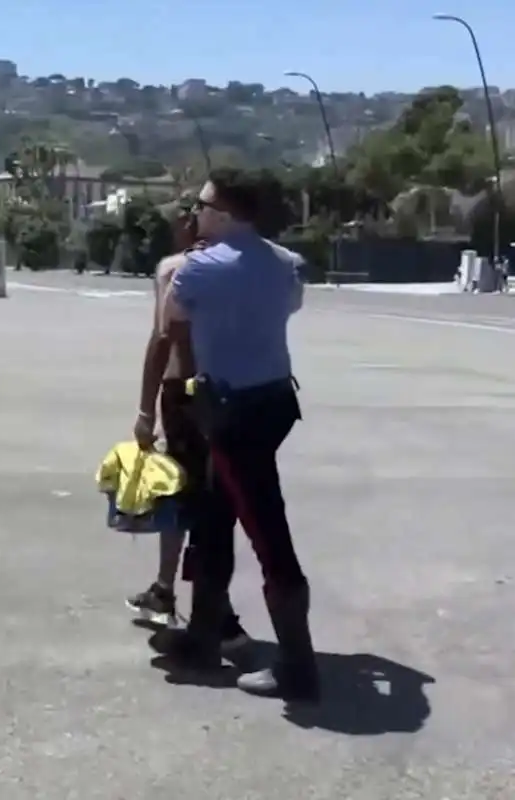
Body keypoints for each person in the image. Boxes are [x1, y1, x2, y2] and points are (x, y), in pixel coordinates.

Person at [154, 168, 319, 703]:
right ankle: (204, 634)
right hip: (273, 404)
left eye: (202, 206)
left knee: (266, 532)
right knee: (216, 513)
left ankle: (297, 665)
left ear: (223, 215)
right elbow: (291, 303)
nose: (195, 213)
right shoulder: (285, 264)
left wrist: (190, 260)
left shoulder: (200, 269)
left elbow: (170, 317)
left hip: (231, 413)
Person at [128, 202, 250, 652]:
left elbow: (162, 340)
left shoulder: (174, 269)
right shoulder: (243, 267)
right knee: (214, 498)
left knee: (186, 497)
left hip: (185, 393)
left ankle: (218, 612)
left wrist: (145, 410)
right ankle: (166, 587)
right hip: (237, 392)